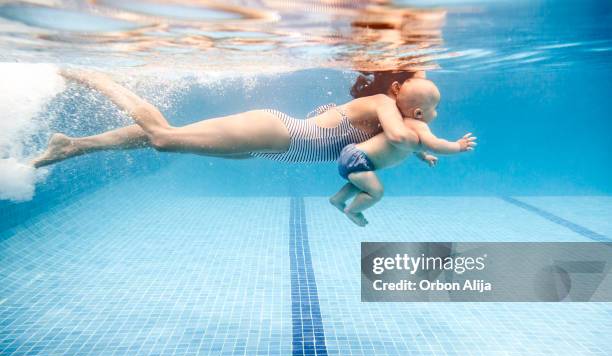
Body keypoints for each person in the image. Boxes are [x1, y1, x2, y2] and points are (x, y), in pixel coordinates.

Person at [32, 69, 426, 167]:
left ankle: (72, 144)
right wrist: (424, 137)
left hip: (269, 146)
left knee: (174, 137)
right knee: (163, 137)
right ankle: (100, 81)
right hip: (276, 132)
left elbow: (382, 142)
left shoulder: (383, 111)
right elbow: (399, 137)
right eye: (427, 103)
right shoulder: (383, 104)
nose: (430, 113)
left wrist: (419, 142)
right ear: (397, 90)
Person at [329, 79, 476, 226]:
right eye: (435, 108)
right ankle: (353, 211)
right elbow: (436, 145)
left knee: (362, 186)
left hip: (353, 155)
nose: (436, 113)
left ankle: (338, 199)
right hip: (360, 161)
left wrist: (424, 157)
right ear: (419, 113)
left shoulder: (400, 122)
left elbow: (412, 147)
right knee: (376, 192)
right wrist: (458, 146)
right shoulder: (418, 125)